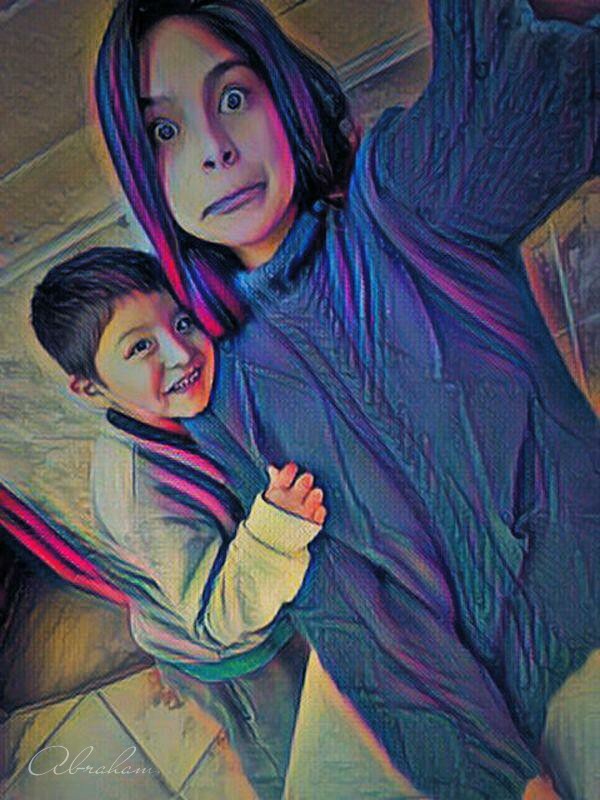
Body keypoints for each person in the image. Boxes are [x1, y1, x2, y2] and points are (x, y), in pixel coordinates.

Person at [94, 1, 600, 797]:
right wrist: (507, 782)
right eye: (165, 130)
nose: (215, 150)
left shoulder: (403, 204)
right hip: (506, 728)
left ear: (282, 94)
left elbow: (524, 85)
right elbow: (355, 614)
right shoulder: (220, 392)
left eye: (233, 97)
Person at [29, 247, 325, 800]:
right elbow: (219, 618)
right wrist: (278, 525)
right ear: (90, 387)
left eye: (182, 321)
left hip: (244, 605)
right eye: (140, 346)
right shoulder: (138, 494)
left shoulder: (182, 404)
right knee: (287, 755)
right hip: (227, 656)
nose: (180, 351)